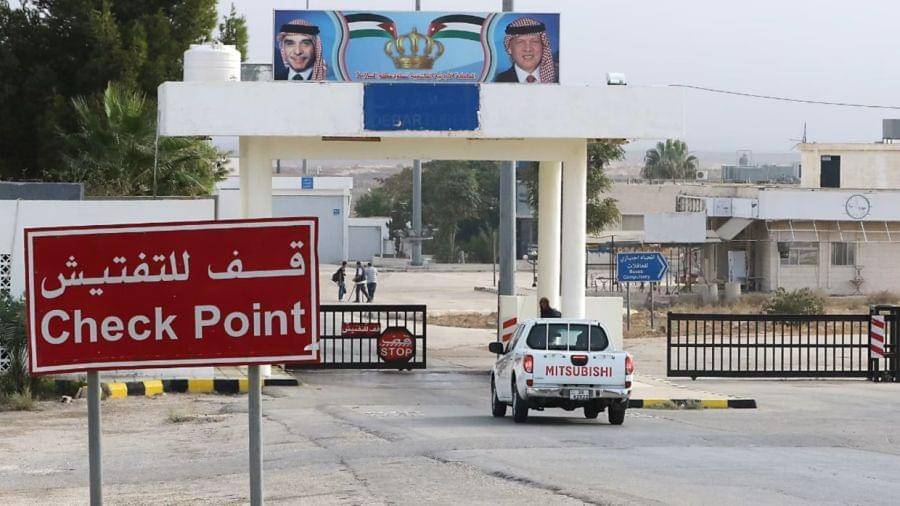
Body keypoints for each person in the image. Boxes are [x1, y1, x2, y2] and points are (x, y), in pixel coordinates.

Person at [494, 17, 558, 84]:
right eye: (520, 42)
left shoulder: (558, 78)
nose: (528, 49)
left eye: (534, 41)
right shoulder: (498, 81)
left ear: (543, 46)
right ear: (509, 48)